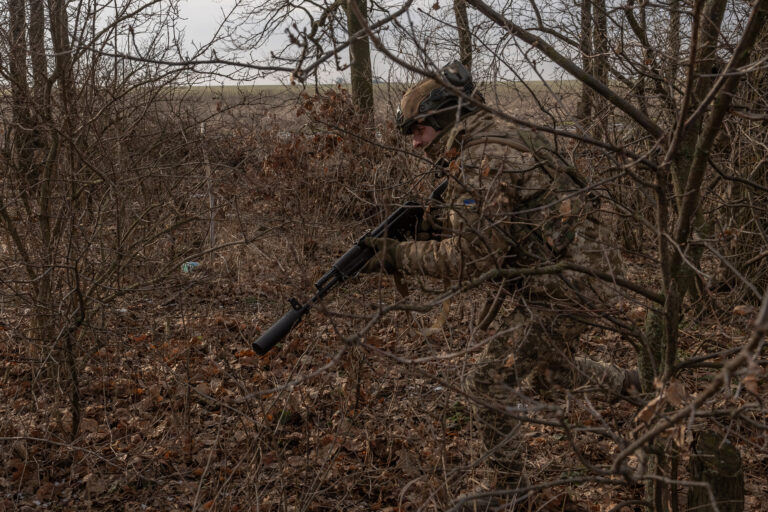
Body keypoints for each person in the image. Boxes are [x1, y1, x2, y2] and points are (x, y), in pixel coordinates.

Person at [362, 62, 638, 511]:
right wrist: (434, 225)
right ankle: (636, 386)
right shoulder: (494, 136)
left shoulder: (481, 157)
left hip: (567, 288)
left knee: (487, 381)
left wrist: (396, 255)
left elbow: (472, 258)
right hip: (579, 275)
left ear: (445, 119)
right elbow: (505, 222)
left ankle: (512, 496)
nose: (414, 142)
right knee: (551, 374)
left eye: (418, 130)